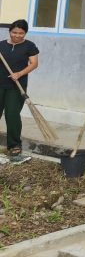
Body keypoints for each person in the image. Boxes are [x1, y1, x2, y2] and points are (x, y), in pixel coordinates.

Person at [0, 20, 39, 164]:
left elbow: (34, 63)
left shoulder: (29, 46)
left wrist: (19, 73)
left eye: (21, 33)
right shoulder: (1, 45)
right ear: (9, 31)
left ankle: (14, 146)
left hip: (16, 87)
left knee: (12, 115)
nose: (17, 35)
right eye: (14, 32)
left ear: (25, 33)